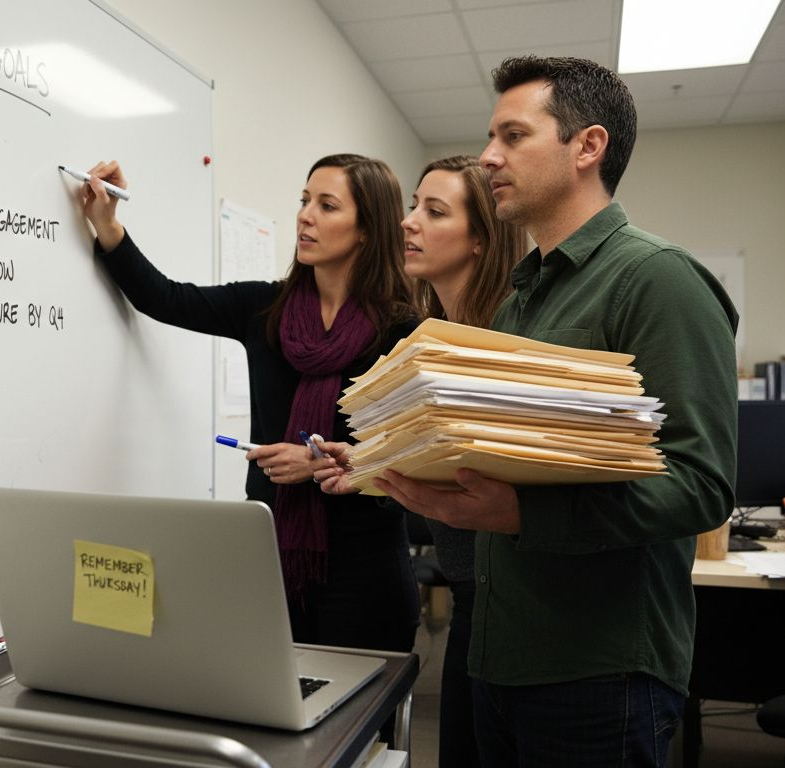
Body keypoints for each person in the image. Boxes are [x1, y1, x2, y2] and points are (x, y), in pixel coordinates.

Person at [370, 56, 739, 767]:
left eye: (512, 135)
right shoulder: (521, 300)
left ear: (587, 147)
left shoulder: (656, 279)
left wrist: (517, 513)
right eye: (490, 136)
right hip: (499, 659)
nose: (489, 156)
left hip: (599, 671)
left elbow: (700, 485)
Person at [75, 154, 421, 656]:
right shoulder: (267, 309)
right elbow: (165, 298)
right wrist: (107, 224)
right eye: (305, 201)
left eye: (327, 205)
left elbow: (413, 454)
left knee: (362, 729)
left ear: (367, 229)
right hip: (272, 561)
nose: (305, 216)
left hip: (366, 570)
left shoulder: (402, 332)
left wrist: (321, 461)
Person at [313, 155, 526, 767]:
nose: (408, 224)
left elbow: (502, 473)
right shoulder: (428, 335)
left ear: (481, 239)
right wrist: (368, 461)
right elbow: (448, 460)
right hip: (468, 598)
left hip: (514, 601)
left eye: (433, 212)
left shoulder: (503, 338)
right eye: (413, 206)